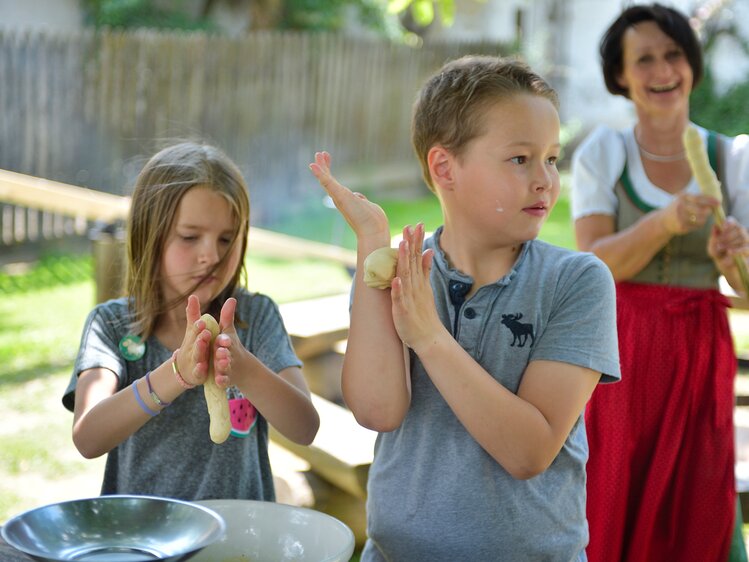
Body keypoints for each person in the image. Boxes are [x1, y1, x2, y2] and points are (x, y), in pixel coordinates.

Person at [310, 55, 620, 561]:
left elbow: (529, 451)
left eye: (552, 159)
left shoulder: (577, 282)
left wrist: (430, 339)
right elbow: (376, 410)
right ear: (444, 167)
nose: (544, 180)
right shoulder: (396, 274)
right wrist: (371, 241)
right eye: (520, 159)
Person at [571, 4, 749, 561]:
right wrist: (663, 221)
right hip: (619, 351)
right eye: (643, 59)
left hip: (700, 349)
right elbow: (593, 264)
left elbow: (747, 289)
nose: (662, 70)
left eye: (673, 54)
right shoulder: (605, 153)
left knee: (698, 493)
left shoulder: (732, 157)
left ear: (691, 64)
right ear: (621, 76)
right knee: (615, 485)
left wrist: (734, 260)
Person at [62, 141, 319, 501]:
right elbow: (88, 438)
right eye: (190, 237)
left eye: (227, 239)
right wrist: (176, 375)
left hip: (239, 544)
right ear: (149, 234)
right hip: (146, 541)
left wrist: (245, 371)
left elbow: (305, 427)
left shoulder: (254, 318)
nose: (211, 255)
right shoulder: (112, 325)